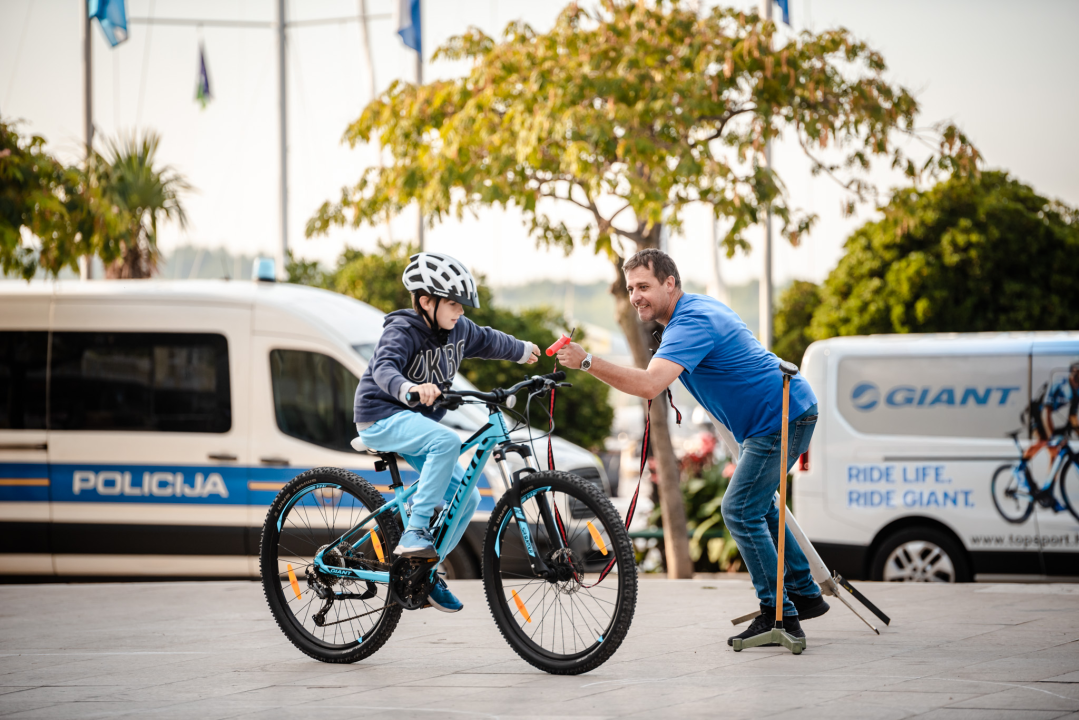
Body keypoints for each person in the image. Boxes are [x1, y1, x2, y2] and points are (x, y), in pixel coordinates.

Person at [555, 248, 827, 645]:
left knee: (739, 509)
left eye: (644, 286)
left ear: (670, 283)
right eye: (630, 289)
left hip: (780, 417)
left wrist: (586, 362)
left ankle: (778, 614)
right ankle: (803, 593)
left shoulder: (691, 322)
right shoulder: (692, 312)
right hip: (781, 413)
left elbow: (650, 384)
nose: (636, 297)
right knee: (760, 504)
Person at [354, 252, 540, 612]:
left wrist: (522, 351)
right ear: (426, 301)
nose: (460, 311)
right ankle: (415, 532)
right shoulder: (403, 330)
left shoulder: (459, 330)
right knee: (447, 440)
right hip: (381, 415)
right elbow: (384, 368)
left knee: (467, 499)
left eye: (462, 305)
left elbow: (489, 340)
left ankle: (424, 572)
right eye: (453, 303)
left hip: (415, 424)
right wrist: (409, 388)